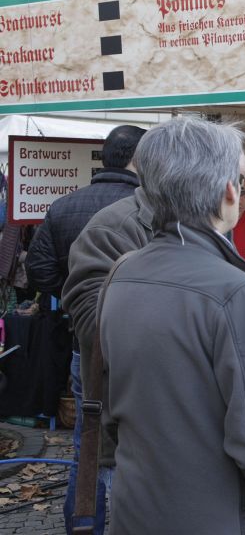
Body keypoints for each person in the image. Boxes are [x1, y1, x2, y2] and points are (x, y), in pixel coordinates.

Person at [96, 118, 245, 532]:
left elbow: (110, 408)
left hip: (135, 509)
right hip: (221, 518)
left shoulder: (121, 274)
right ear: (228, 192)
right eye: (241, 180)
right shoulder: (235, 292)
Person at [24, 124, 146, 535]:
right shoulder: (149, 209)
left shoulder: (64, 206)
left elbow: (38, 269)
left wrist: (76, 301)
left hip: (84, 345)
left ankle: (84, 525)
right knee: (139, 442)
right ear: (140, 160)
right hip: (140, 347)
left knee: (88, 439)